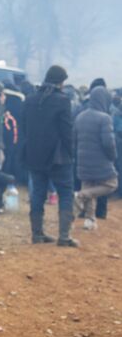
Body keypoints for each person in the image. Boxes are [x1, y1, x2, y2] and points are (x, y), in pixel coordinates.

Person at [20, 65, 79, 247]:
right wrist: (71, 153)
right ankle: (64, 236)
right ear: (61, 82)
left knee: (38, 193)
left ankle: (37, 235)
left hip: (34, 155)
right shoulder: (63, 101)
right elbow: (67, 131)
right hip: (58, 157)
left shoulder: (30, 99)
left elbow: (24, 128)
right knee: (66, 194)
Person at [73, 86, 118, 231]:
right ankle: (80, 195)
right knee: (111, 184)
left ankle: (90, 220)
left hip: (83, 160)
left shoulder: (80, 116)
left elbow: (74, 140)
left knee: (89, 186)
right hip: (101, 161)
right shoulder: (105, 118)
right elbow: (108, 143)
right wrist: (113, 157)